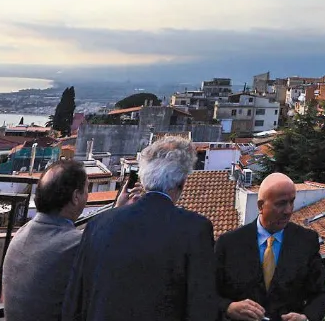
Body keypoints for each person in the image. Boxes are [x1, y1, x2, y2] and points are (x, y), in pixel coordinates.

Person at [61, 136, 218, 321]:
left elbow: (74, 304)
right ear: (182, 182)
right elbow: (202, 308)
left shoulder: (98, 224)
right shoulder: (195, 229)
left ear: (144, 179)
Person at [215, 172, 325, 321]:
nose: (288, 210)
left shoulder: (306, 241)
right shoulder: (229, 244)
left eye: (292, 202)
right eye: (281, 203)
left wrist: (306, 317)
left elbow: (321, 293)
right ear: (261, 206)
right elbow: (207, 293)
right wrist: (228, 308)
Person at [3, 159, 89, 321]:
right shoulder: (75, 245)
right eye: (86, 189)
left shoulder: (22, 232)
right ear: (76, 197)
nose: (87, 195)